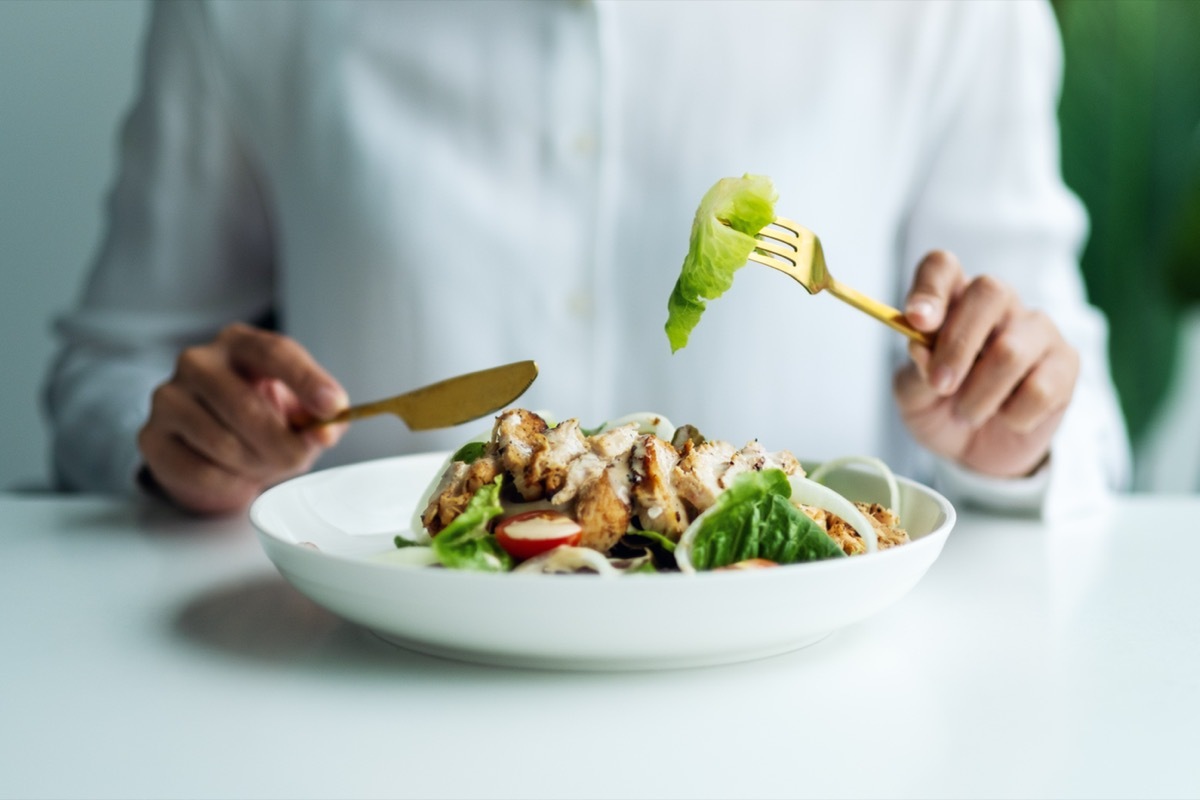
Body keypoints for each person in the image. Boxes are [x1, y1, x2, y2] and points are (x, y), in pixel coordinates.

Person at [43, 0, 1130, 520]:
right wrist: (179, 438)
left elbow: (1082, 424)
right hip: (362, 697)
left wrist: (1018, 428)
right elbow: (111, 369)